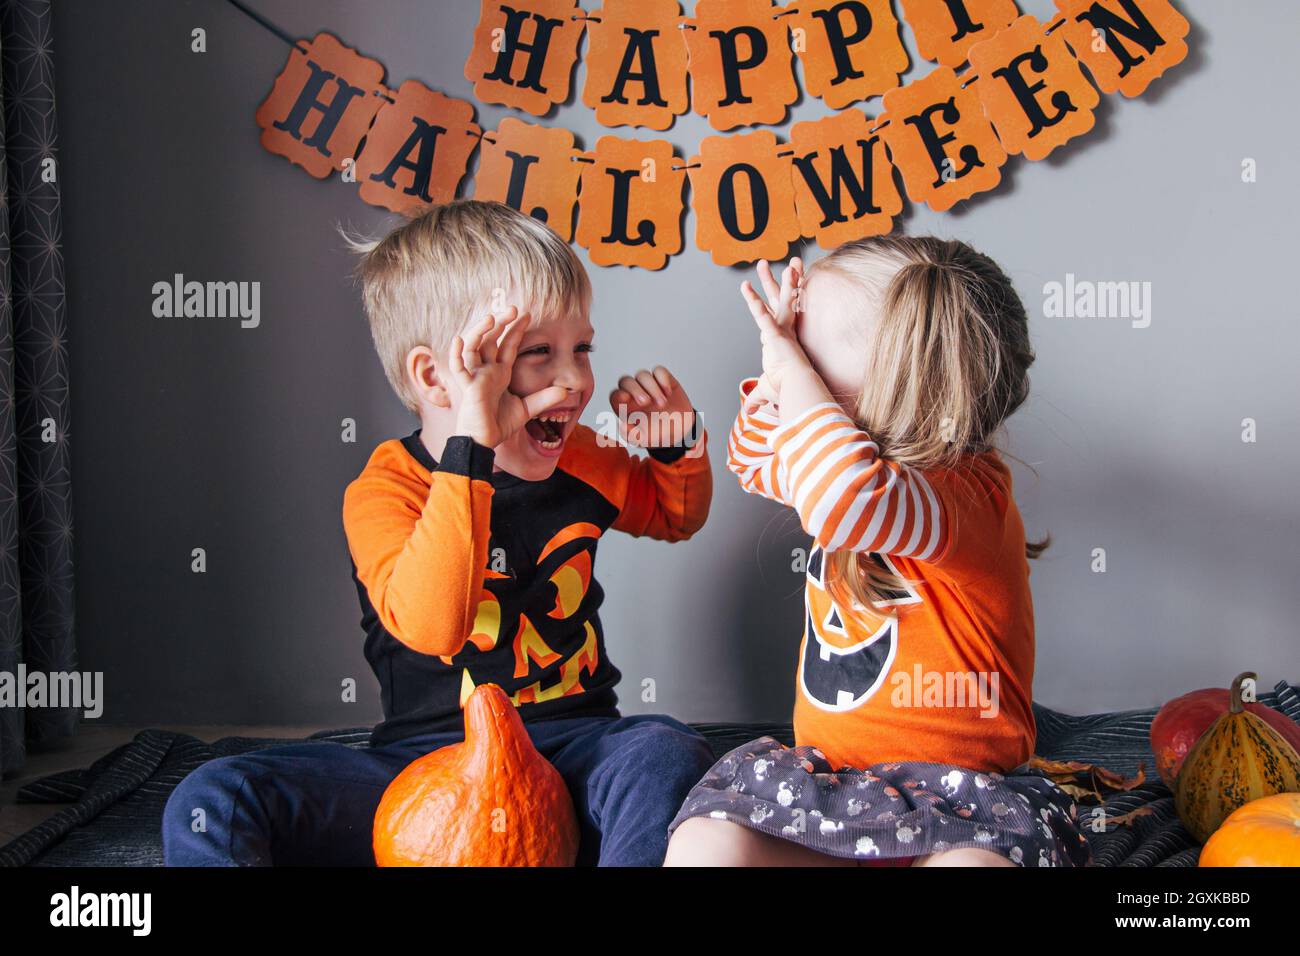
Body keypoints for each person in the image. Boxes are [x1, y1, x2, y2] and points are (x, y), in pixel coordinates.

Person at [162, 200, 715, 866]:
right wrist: (470, 452)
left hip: (574, 749)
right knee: (216, 792)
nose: (574, 380)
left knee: (665, 749)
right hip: (425, 769)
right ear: (435, 377)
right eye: (538, 354)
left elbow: (672, 515)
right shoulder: (385, 490)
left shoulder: (586, 462)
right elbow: (433, 627)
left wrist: (676, 445)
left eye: (581, 349)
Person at [664, 236, 1092, 867]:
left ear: (896, 383)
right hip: (835, 792)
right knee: (707, 841)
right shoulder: (831, 469)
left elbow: (840, 495)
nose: (793, 366)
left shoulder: (961, 496)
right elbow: (753, 461)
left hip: (960, 806)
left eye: (809, 354)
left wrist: (793, 370)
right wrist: (779, 367)